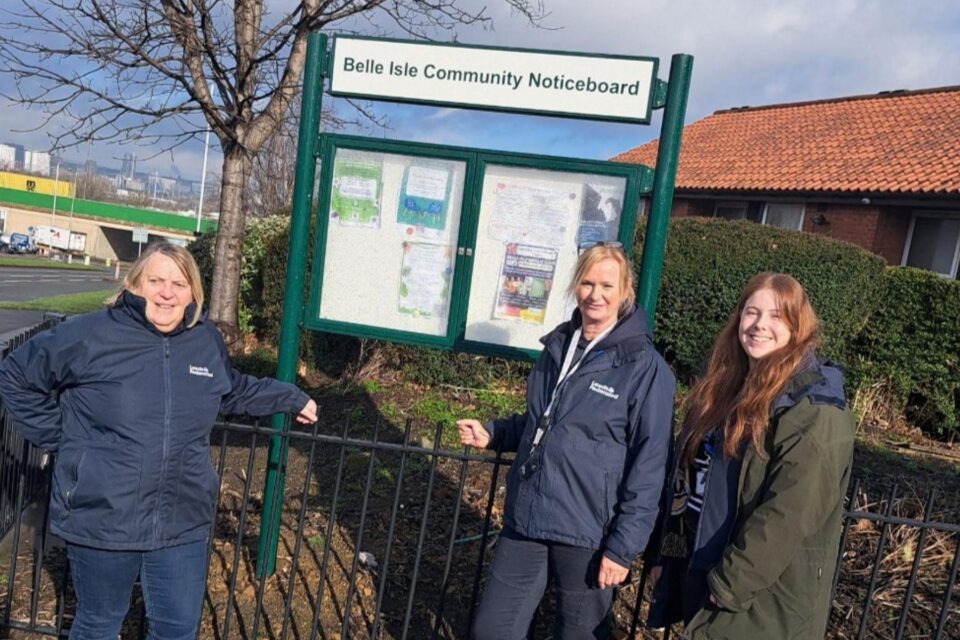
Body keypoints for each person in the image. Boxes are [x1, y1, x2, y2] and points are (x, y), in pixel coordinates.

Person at [0, 242, 318, 640]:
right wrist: (64, 440)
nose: (167, 292)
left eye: (179, 284)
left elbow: (231, 390)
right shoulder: (90, 334)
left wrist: (291, 397)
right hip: (105, 516)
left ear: (193, 294)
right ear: (134, 284)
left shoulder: (203, 341)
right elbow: (15, 375)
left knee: (177, 629)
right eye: (156, 281)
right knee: (99, 625)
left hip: (180, 520)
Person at [457, 243, 675, 639]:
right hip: (529, 515)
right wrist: (495, 433)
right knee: (491, 630)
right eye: (587, 283)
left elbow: (651, 464)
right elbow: (546, 419)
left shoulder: (645, 368)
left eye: (607, 285)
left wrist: (622, 547)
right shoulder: (561, 345)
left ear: (625, 289)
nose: (596, 294)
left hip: (590, 529)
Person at [646, 273, 856, 639]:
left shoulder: (814, 408)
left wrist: (730, 584)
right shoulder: (725, 387)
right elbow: (690, 481)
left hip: (756, 598)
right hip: (704, 572)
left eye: (776, 316)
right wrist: (670, 557)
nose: (760, 325)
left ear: (798, 325)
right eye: (751, 312)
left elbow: (788, 514)